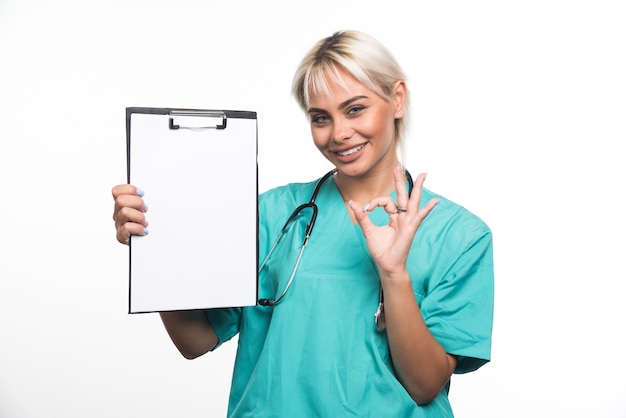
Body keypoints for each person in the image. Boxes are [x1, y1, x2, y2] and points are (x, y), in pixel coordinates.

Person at [112, 30, 494, 417]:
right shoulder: (270, 215)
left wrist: (394, 274)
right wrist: (154, 247)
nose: (339, 133)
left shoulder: (459, 236)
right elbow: (195, 341)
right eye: (320, 118)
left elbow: (424, 385)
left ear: (396, 99)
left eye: (355, 109)